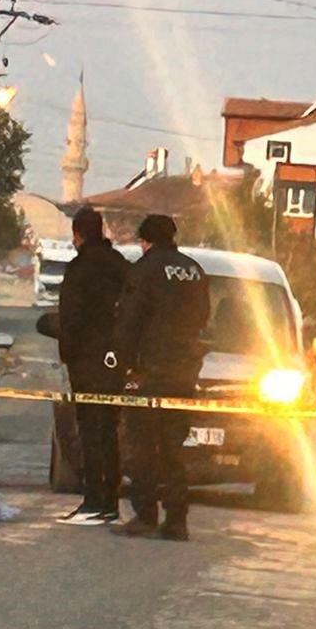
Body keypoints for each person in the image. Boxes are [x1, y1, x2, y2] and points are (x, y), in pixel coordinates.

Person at [107, 213, 210, 541]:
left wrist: (120, 364)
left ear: (146, 241)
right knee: (173, 446)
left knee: (139, 442)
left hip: (146, 372)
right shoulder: (194, 271)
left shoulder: (145, 270)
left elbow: (129, 321)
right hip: (184, 372)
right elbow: (203, 316)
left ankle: (145, 514)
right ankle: (177, 519)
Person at [55, 205, 130, 524]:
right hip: (116, 361)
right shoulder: (122, 266)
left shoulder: (80, 269)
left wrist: (68, 352)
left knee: (90, 431)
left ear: (77, 234)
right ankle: (110, 500)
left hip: (87, 361)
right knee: (110, 431)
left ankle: (94, 501)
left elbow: (70, 318)